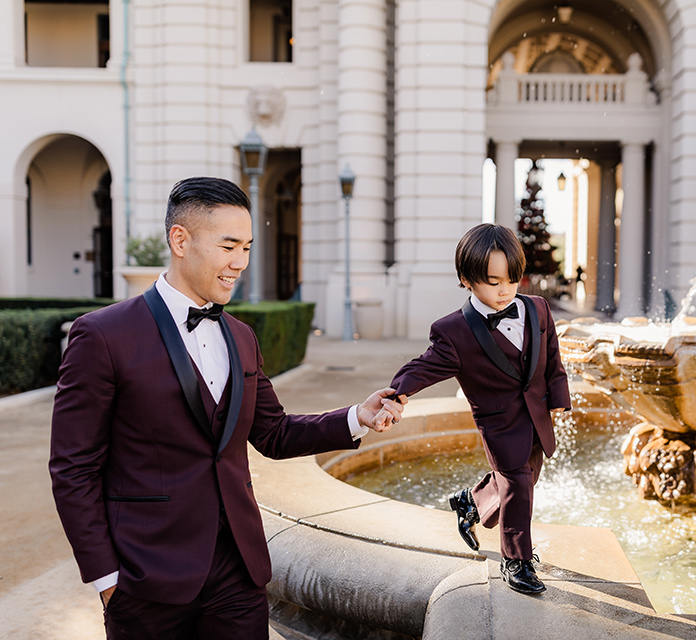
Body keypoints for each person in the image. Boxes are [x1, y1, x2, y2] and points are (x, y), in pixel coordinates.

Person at [49, 176, 405, 639]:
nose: (240, 264)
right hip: (146, 579)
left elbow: (274, 433)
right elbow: (73, 468)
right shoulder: (102, 335)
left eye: (248, 248)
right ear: (181, 240)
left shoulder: (241, 336)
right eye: (229, 246)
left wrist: (356, 416)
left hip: (238, 574)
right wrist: (107, 579)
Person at [379, 223, 571, 595]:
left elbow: (551, 357)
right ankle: (516, 560)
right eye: (493, 281)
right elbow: (425, 366)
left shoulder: (538, 309)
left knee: (527, 478)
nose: (504, 291)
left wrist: (559, 397)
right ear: (467, 279)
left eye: (512, 280)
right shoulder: (454, 331)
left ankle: (470, 499)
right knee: (516, 483)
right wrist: (397, 394)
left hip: (537, 415)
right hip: (498, 423)